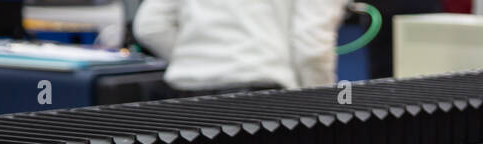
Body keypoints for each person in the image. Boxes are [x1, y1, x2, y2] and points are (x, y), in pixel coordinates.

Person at [133, 0, 346, 92]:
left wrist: (195, 60)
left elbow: (150, 26)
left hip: (187, 93)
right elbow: (312, 48)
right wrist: (322, 106)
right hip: (265, 97)